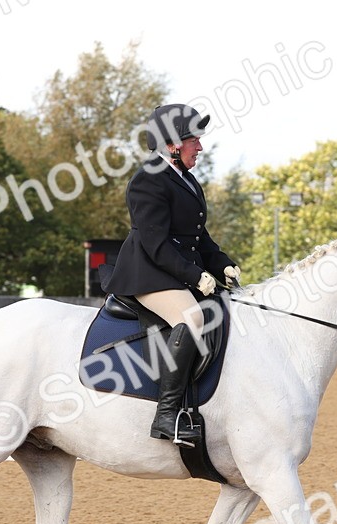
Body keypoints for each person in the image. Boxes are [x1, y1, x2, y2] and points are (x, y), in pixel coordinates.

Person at [101, 104, 240, 448]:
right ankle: (166, 415)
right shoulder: (147, 180)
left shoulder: (187, 180)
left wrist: (222, 264)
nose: (201, 147)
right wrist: (196, 276)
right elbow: (155, 244)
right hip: (148, 275)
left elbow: (199, 237)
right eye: (194, 140)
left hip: (176, 272)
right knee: (193, 318)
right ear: (173, 144)